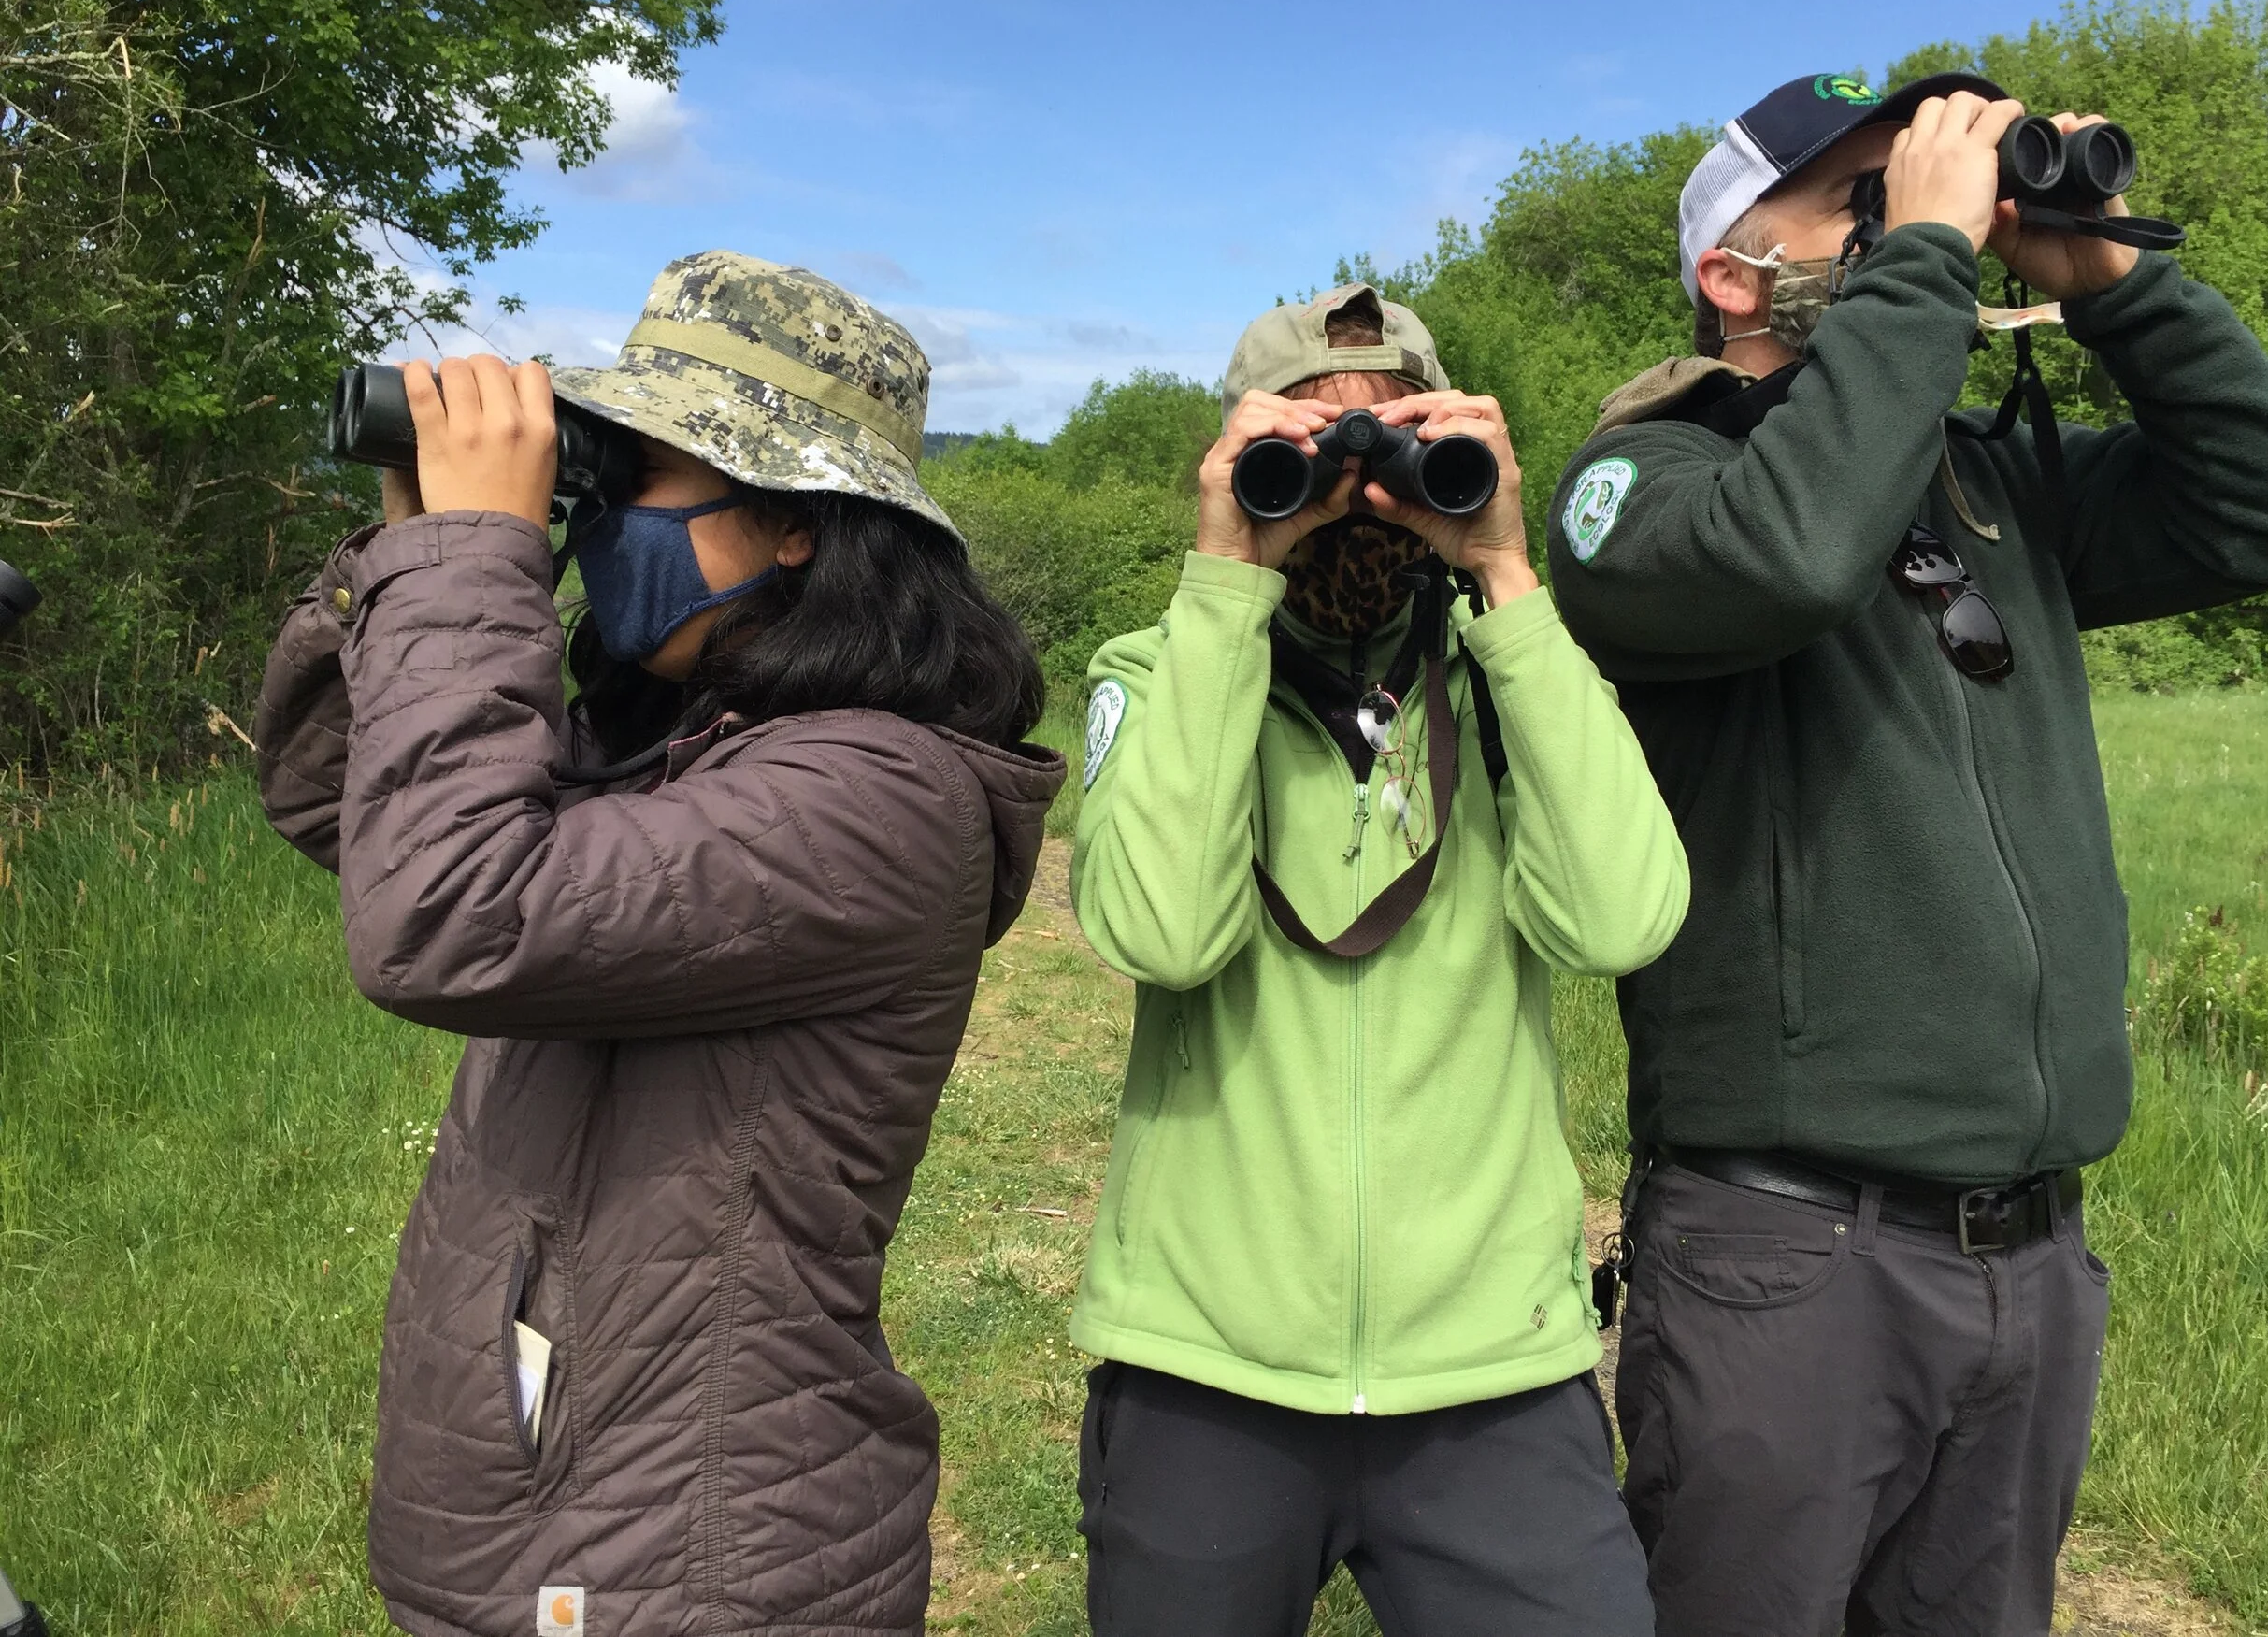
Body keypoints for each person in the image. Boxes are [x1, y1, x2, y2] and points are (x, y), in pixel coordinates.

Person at [1544, 73, 2268, 1636]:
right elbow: (1793, 551)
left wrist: (2116, 283)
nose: (1935, 214)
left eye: (1936, 186)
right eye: (1864, 196)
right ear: (1732, 275)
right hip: (1789, 1246)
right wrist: (1924, 258)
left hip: (2030, 1254)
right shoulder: (1637, 484)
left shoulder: (1990, 480)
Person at [252, 253, 1064, 1637]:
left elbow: (445, 915)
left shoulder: (877, 797)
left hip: (695, 1562)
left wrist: (471, 557)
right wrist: (401, 555)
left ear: (798, 522)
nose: (602, 513)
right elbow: (340, 800)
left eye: (640, 477)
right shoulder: (674, 743)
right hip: (578, 1519)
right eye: (598, 473)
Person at [1067, 283, 1690, 1636]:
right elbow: (1160, 933)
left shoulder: (1508, 678)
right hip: (1205, 1367)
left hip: (1494, 1364)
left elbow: (1624, 919)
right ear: (1234, 456)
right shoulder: (1154, 666)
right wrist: (1231, 578)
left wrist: (1508, 576)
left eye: (1394, 444)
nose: (1353, 487)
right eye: (1305, 450)